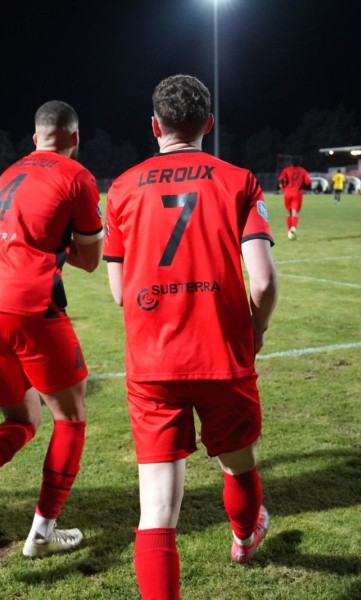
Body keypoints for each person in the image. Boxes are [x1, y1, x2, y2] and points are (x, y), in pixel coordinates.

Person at [102, 74, 278, 599]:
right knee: (239, 464)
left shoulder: (122, 186)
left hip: (153, 363)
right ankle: (245, 537)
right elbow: (264, 281)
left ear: (154, 126)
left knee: (156, 509)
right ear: (209, 124)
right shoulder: (238, 179)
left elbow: (117, 292)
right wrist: (257, 328)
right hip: (222, 354)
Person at [0, 100, 104, 558]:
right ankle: (42, 534)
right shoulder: (76, 175)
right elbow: (91, 260)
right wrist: (62, 249)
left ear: (35, 139)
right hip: (29, 305)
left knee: (22, 419)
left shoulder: (8, 173)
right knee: (70, 417)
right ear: (75, 137)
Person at [278, 155, 310, 240]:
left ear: (291, 162)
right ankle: (293, 228)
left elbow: (281, 179)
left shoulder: (286, 170)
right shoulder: (303, 171)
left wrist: (283, 187)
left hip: (287, 192)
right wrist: (302, 186)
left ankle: (289, 232)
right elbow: (308, 182)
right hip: (297, 192)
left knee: (288, 213)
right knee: (295, 212)